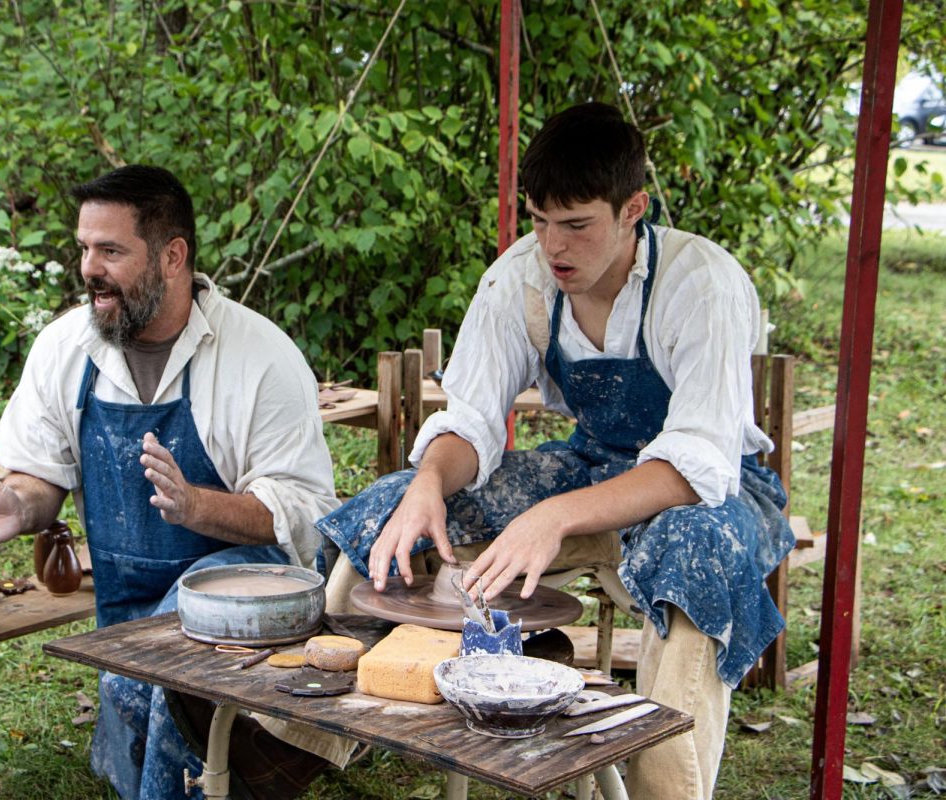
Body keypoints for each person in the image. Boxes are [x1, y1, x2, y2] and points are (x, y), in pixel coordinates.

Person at [315, 103, 794, 800]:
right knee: (392, 507)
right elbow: (472, 417)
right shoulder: (521, 279)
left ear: (634, 208)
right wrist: (428, 484)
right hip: (593, 464)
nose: (554, 246)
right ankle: (312, 738)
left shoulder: (703, 286)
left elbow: (699, 460)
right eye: (539, 221)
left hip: (712, 493)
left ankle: (666, 790)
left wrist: (557, 516)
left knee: (698, 557)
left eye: (576, 225)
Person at [0, 165, 341, 799]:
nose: (90, 268)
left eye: (112, 251)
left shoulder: (261, 357)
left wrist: (198, 505)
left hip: (252, 597)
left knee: (155, 678)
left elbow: (306, 516)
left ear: (173, 256)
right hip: (125, 608)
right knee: (132, 703)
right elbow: (42, 474)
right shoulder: (66, 347)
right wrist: (18, 504)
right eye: (84, 248)